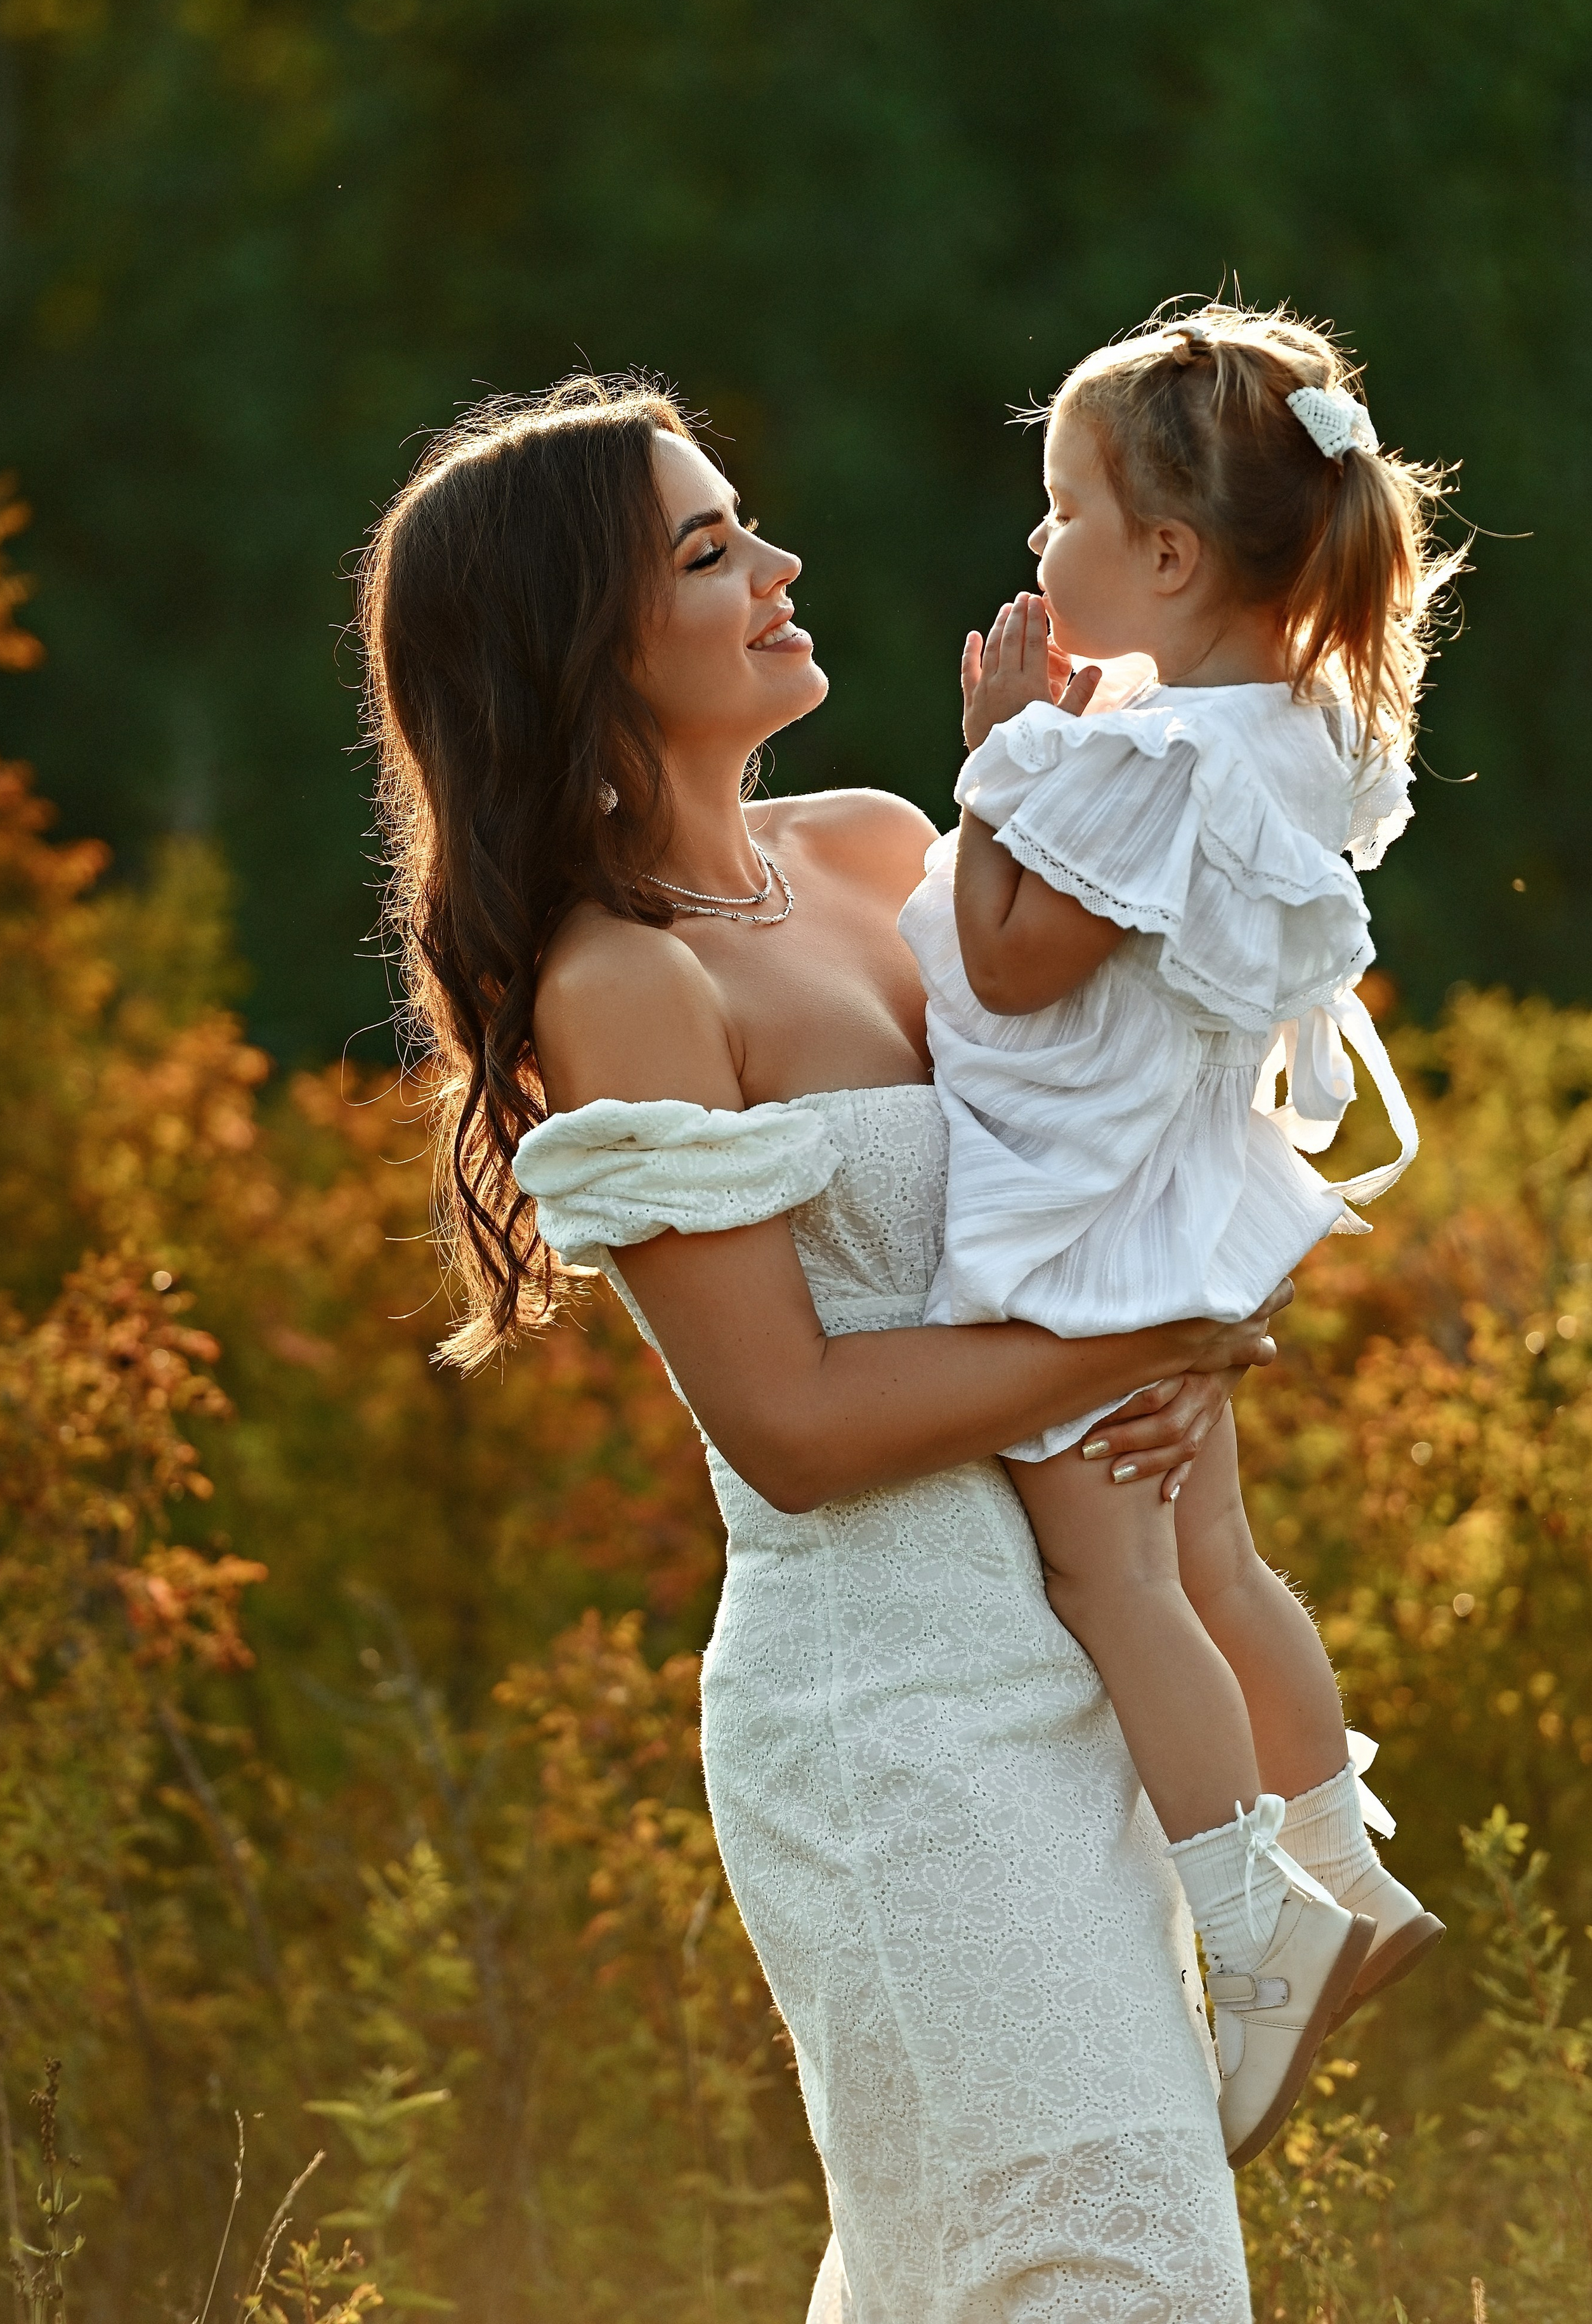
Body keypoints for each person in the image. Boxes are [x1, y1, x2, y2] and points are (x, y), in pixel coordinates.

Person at [360, 372, 1291, 2321]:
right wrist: (1143, 1328)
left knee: (1036, 2255)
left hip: (1077, 1657)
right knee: (1106, 2259)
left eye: (746, 524)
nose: (780, 565)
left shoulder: (880, 844)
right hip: (890, 1712)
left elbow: (1082, 1137)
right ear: (581, 653)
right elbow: (785, 1422)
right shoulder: (625, 984)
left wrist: (1188, 1299)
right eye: (709, 554)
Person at [899, 302, 1455, 2168]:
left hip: (1080, 1223)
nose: (1038, 550)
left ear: (1165, 557)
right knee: (1216, 1563)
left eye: (1062, 513)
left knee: (1109, 1576)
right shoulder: (1296, 727)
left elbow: (1010, 959)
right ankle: (1340, 1859)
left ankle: (1256, 1927)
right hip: (1180, 1194)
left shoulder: (1128, 763)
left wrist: (996, 765)